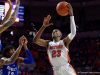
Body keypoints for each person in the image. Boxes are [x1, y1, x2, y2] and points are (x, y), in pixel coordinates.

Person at [34, 3, 77, 75]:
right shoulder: (48, 43)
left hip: (66, 68)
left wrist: (71, 15)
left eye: (56, 31)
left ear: (60, 35)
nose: (54, 31)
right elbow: (35, 40)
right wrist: (43, 26)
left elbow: (73, 33)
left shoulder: (64, 42)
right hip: (56, 70)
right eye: (53, 31)